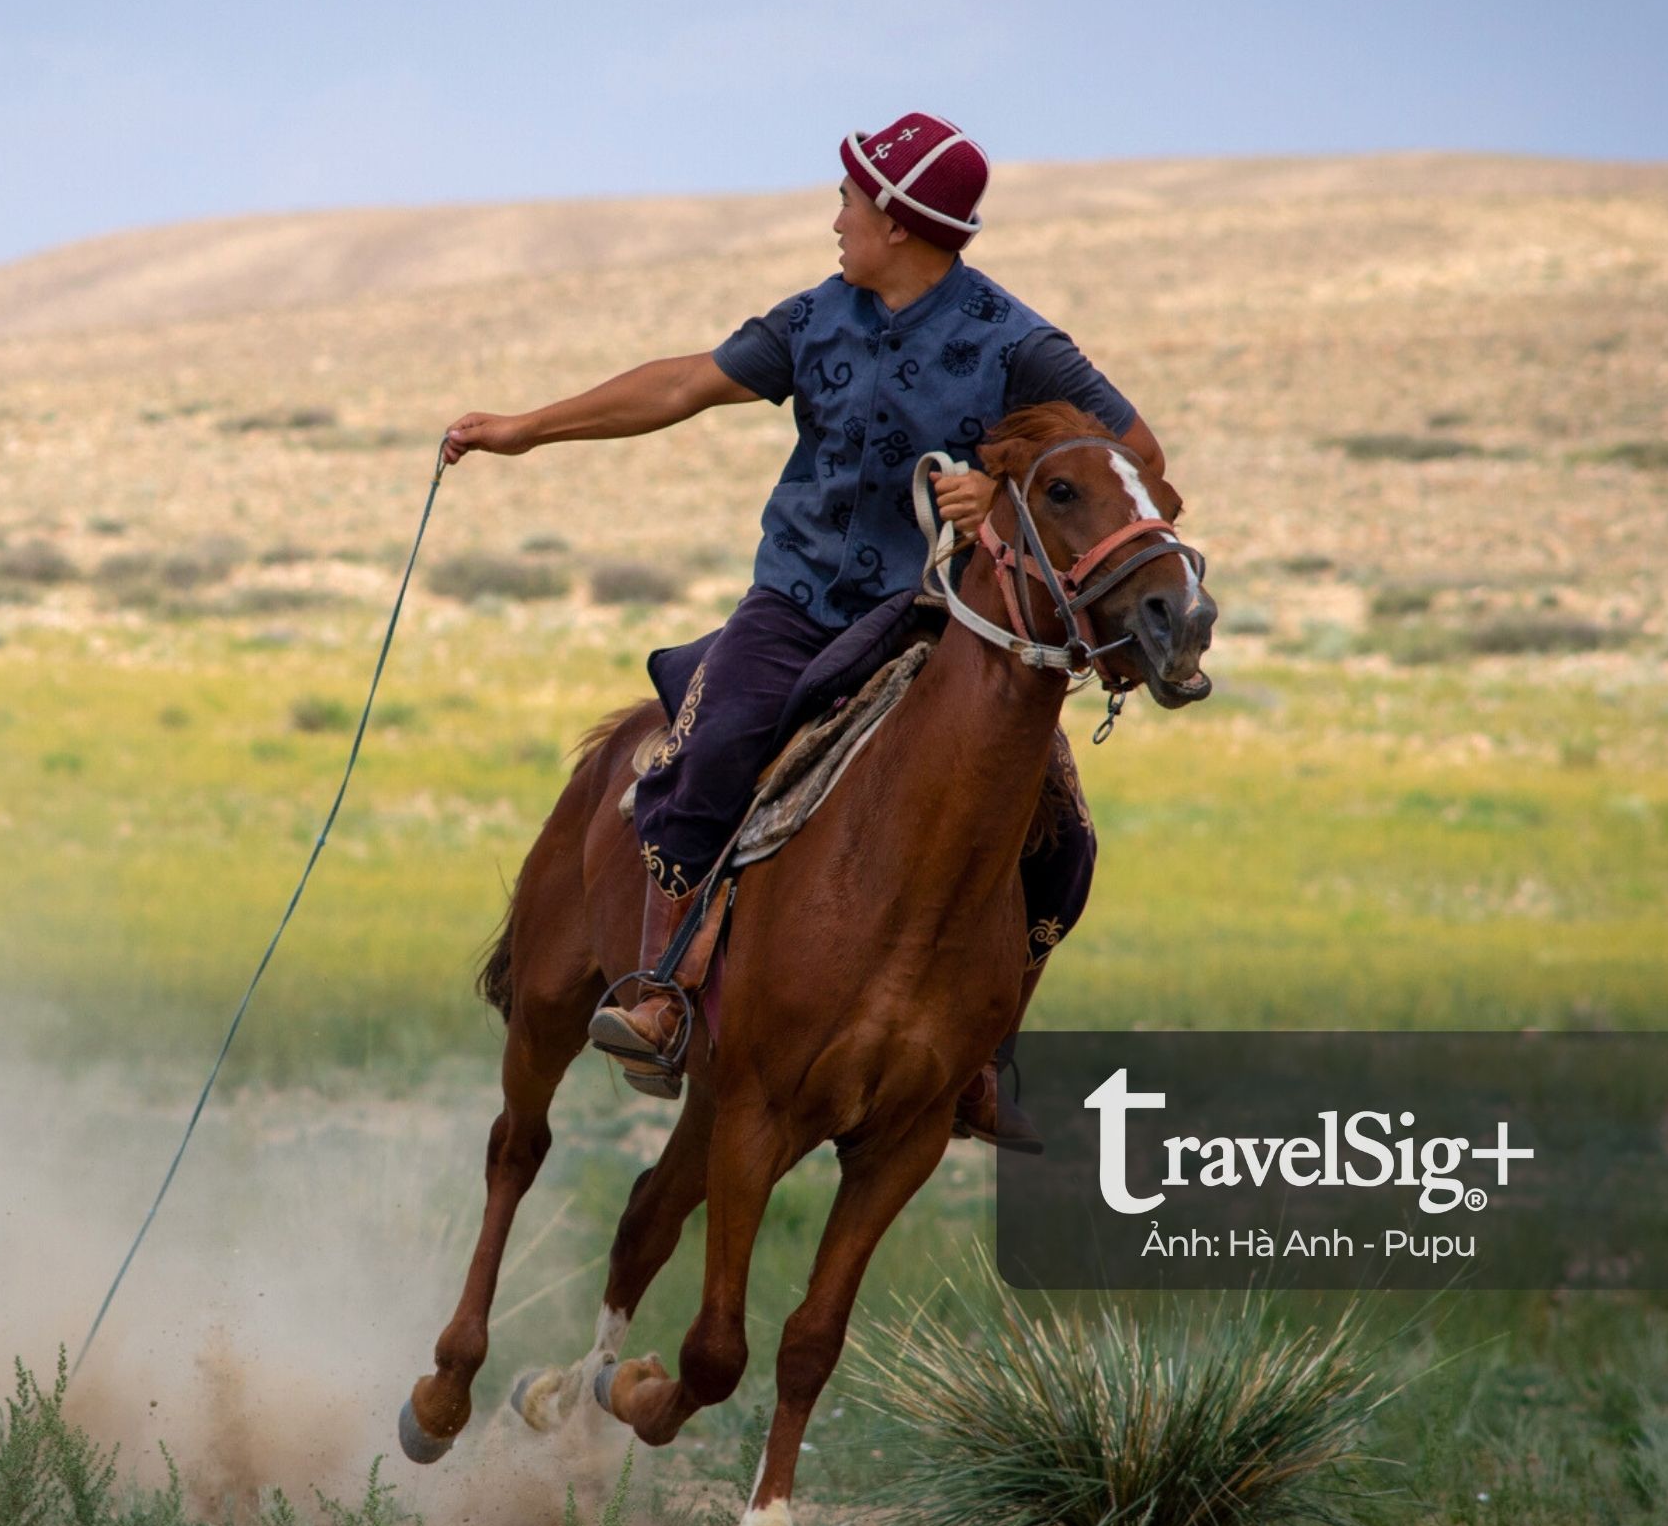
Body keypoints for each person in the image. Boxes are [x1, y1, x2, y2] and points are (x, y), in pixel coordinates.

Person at [441, 113, 1163, 1144]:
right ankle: (660, 990)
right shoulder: (815, 320)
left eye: (850, 202)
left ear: (901, 224)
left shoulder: (1017, 343)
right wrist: (524, 429)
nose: (837, 219)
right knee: (713, 748)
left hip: (934, 625)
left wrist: (996, 485)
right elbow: (685, 383)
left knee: (1064, 843)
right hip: (794, 607)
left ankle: (976, 1058)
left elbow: (1129, 447)